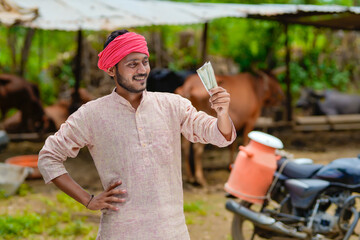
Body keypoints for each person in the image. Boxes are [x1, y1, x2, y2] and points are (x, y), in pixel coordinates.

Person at [38, 29, 236, 240]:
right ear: (112, 70)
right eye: (132, 64)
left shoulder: (172, 105)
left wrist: (222, 113)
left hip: (172, 232)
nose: (142, 70)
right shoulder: (92, 115)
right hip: (120, 233)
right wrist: (88, 200)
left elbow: (219, 136)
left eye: (145, 61)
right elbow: (48, 157)